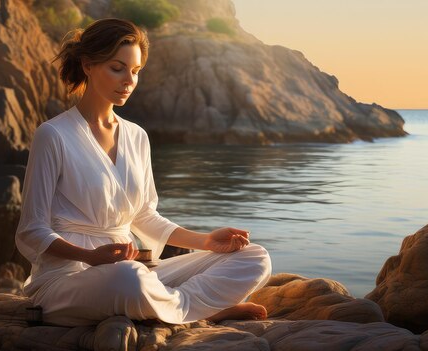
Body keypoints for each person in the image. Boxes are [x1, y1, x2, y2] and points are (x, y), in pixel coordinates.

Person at [15, 18, 271, 327]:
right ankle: (200, 308)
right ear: (88, 65)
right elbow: (32, 230)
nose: (128, 81)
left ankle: (180, 306)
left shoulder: (137, 136)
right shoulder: (53, 134)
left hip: (133, 268)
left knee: (254, 258)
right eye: (117, 68)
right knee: (129, 279)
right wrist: (91, 257)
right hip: (68, 279)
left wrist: (207, 241)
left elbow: (145, 216)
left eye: (135, 71)